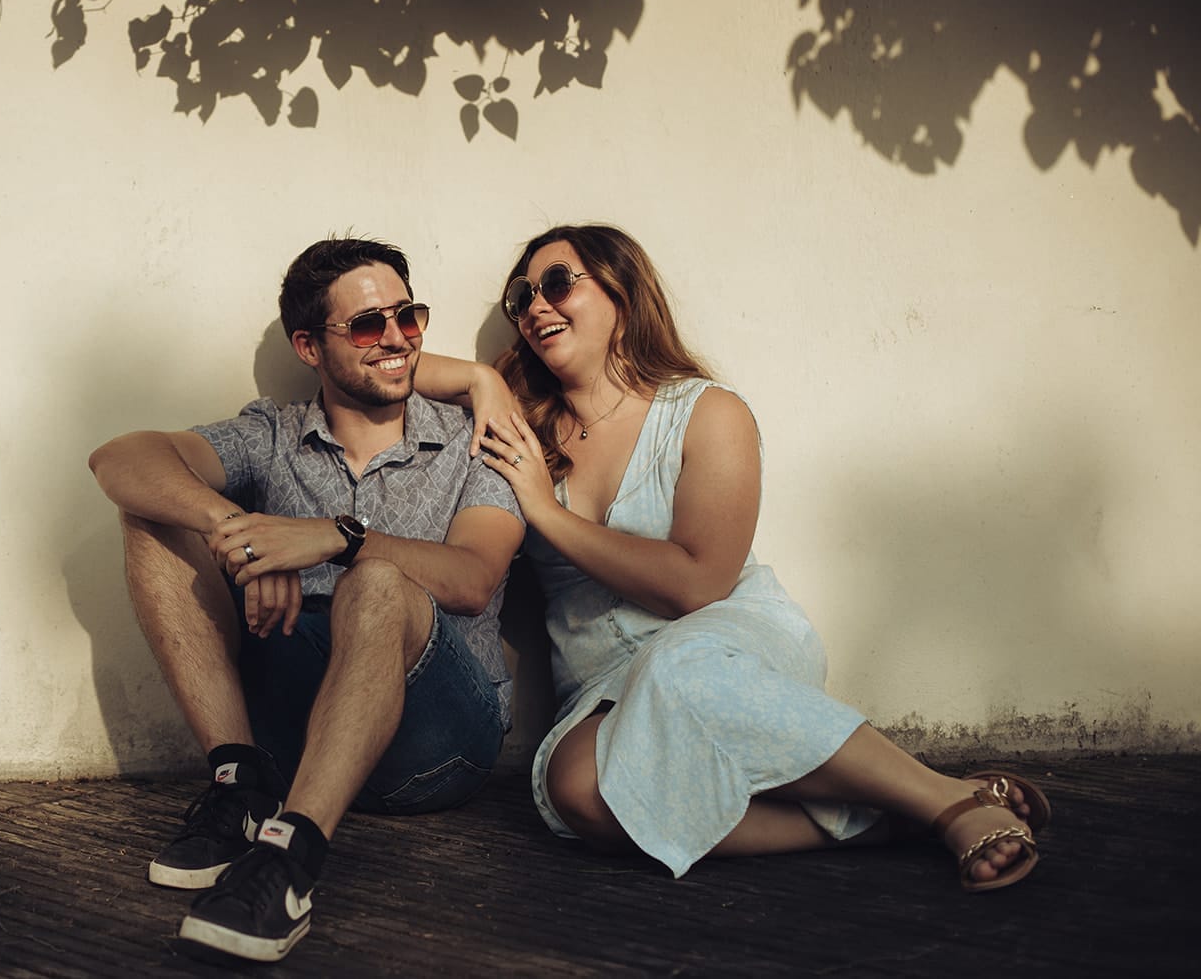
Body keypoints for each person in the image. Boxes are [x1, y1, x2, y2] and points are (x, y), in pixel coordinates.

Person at [415, 223, 1048, 892]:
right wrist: (483, 377)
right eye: (522, 296)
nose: (535, 305)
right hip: (601, 674)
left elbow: (697, 583)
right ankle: (887, 820)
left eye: (557, 283)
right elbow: (390, 364)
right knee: (576, 791)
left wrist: (548, 514)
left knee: (678, 667)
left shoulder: (707, 412)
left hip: (720, 639)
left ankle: (942, 800)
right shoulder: (523, 424)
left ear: (622, 296)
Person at [88, 237, 524, 962]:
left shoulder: (474, 441)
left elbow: (473, 578)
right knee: (153, 514)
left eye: (408, 317)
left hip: (438, 742)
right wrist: (242, 533)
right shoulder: (274, 434)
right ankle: (242, 785)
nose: (395, 338)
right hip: (302, 732)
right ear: (309, 346)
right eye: (366, 325)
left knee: (377, 582)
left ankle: (289, 862)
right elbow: (119, 458)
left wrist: (331, 538)